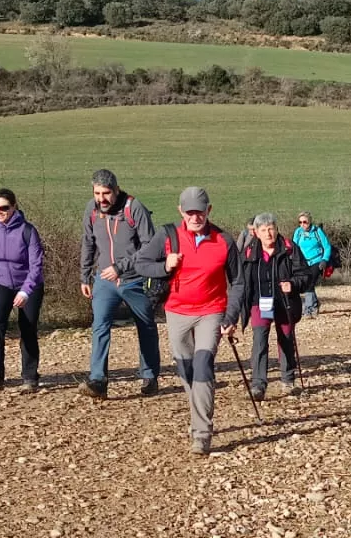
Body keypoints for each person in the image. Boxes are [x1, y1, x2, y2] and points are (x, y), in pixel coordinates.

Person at [139, 187, 238, 452]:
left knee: (204, 364)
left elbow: (238, 282)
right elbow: (141, 263)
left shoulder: (224, 240)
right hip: (177, 311)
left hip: (212, 311)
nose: (195, 217)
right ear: (180, 210)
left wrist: (232, 315)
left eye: (200, 211)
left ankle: (202, 434)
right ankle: (198, 414)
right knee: (186, 370)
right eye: (190, 212)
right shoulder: (167, 235)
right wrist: (164, 266)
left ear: (209, 210)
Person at [78, 168, 161, 399]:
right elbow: (88, 242)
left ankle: (149, 376)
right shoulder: (91, 210)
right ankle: (98, 380)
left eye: (106, 193)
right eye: (97, 193)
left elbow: (150, 246)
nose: (101, 199)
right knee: (100, 326)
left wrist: (120, 267)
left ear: (116, 189)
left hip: (135, 279)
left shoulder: (134, 208)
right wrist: (84, 275)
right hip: (104, 279)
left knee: (145, 326)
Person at [228, 212, 313, 399]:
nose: (268, 234)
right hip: (259, 303)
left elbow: (305, 275)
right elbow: (240, 281)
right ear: (256, 232)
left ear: (277, 229)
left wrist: (293, 284)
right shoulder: (249, 252)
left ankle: (288, 379)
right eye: (264, 230)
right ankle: (258, 384)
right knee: (259, 340)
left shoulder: (290, 249)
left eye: (271, 229)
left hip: (285, 302)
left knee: (286, 338)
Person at [0, 188, 45, 392]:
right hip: (0, 282)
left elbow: (36, 266)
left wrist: (25, 291)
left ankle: (30, 377)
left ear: (14, 207)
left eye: (4, 208)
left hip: (28, 285)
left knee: (27, 327)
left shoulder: (28, 231)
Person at [291, 212, 333, 317]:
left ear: (310, 222)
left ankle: (308, 309)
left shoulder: (317, 231)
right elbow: (294, 247)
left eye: (305, 222)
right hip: (303, 262)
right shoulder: (298, 232)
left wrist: (324, 259)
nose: (302, 224)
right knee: (307, 284)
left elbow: (327, 246)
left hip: (317, 261)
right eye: (300, 222)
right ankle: (315, 304)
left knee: (309, 284)